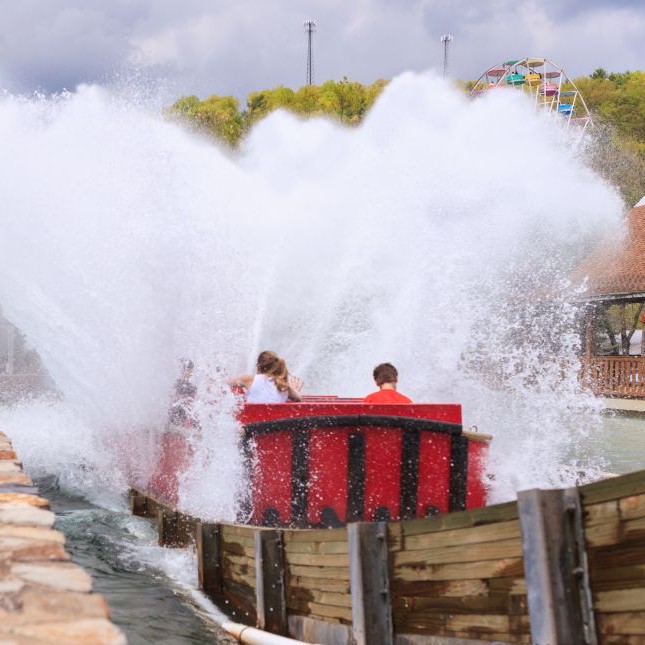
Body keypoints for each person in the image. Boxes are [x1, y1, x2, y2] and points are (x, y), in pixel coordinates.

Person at [228, 351, 302, 403]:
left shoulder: (248, 379)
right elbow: (298, 398)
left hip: (252, 422)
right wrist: (295, 390)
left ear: (258, 366)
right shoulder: (283, 386)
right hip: (274, 423)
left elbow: (223, 383)